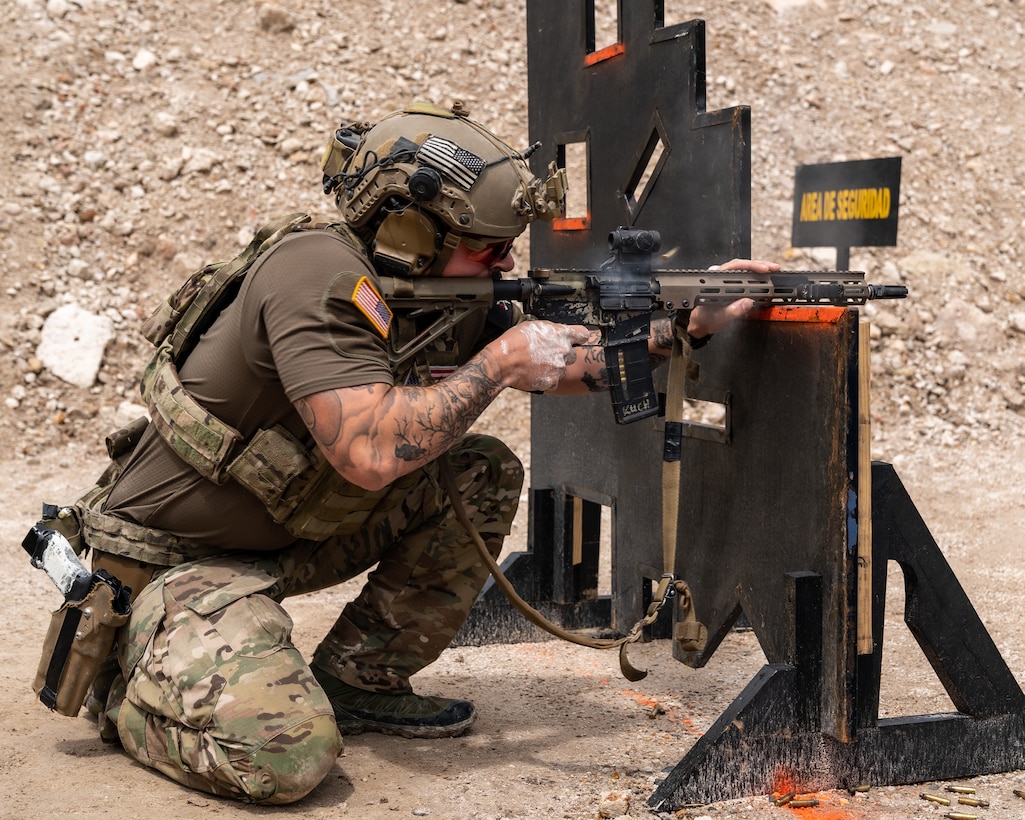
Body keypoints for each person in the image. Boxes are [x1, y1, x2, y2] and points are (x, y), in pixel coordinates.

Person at [43, 101, 779, 804]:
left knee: (479, 470)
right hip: (167, 567)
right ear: (406, 232)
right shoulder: (315, 277)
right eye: (489, 246)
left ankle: (360, 680)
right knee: (284, 757)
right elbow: (369, 452)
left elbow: (560, 358)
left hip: (280, 539)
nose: (506, 259)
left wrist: (682, 325)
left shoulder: (431, 288)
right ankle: (126, 687)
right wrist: (496, 365)